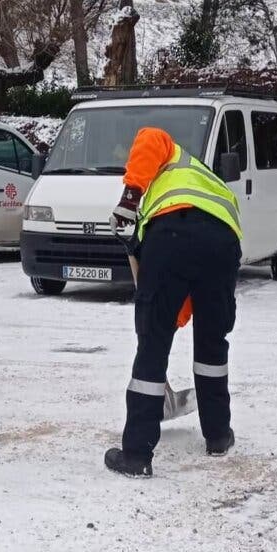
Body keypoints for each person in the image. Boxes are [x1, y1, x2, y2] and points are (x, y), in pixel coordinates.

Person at [104, 127, 242, 477]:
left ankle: (136, 455)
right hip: (224, 244)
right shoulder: (207, 182)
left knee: (152, 346)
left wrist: (130, 198)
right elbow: (183, 300)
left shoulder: (169, 155)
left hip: (172, 235)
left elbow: (149, 135)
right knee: (213, 342)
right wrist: (166, 316)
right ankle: (218, 435)